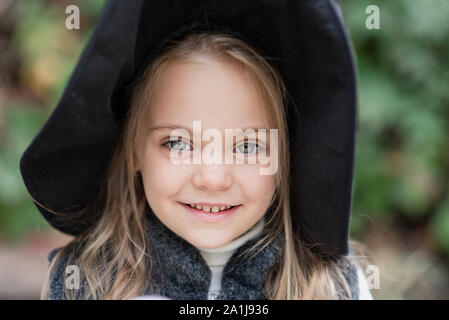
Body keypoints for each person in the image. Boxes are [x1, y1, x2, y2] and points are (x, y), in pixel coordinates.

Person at [20, 0, 373, 300]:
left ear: (284, 158)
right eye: (177, 143)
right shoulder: (83, 282)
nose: (213, 178)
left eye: (248, 146)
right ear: (133, 151)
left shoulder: (334, 288)